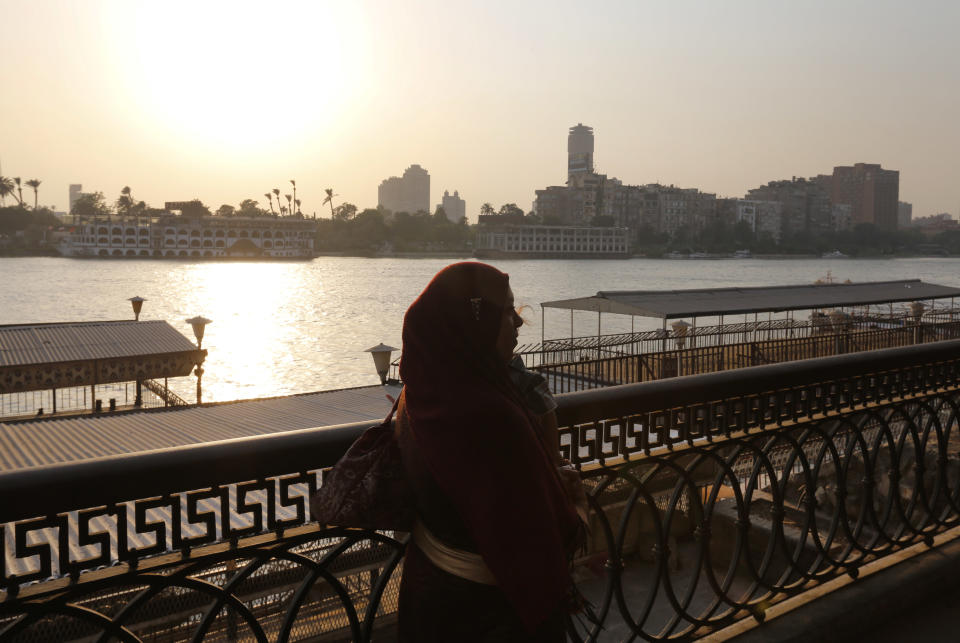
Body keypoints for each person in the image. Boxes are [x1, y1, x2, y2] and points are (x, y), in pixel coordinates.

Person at [395, 262, 582, 642]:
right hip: (491, 612)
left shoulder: (416, 394)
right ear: (473, 323)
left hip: (430, 590)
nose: (518, 323)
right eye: (506, 312)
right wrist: (569, 493)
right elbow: (548, 528)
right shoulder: (492, 414)